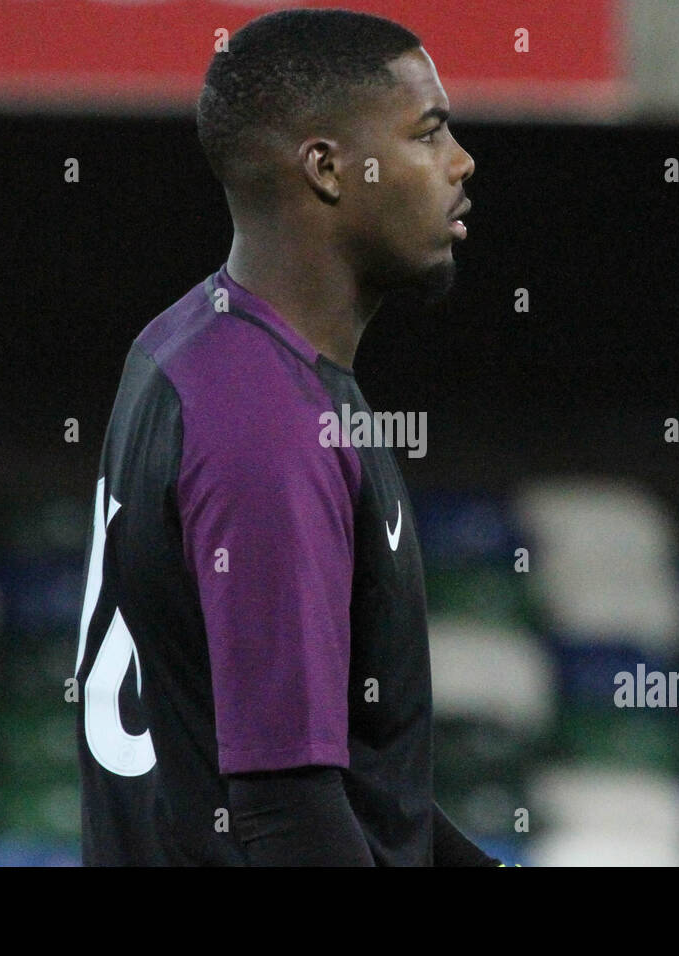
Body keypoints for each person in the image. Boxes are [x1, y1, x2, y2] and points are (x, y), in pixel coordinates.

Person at [75, 7, 494, 866]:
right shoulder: (267, 423)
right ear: (330, 169)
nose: (461, 162)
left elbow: (372, 798)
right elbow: (287, 817)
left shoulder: (189, 347)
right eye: (429, 132)